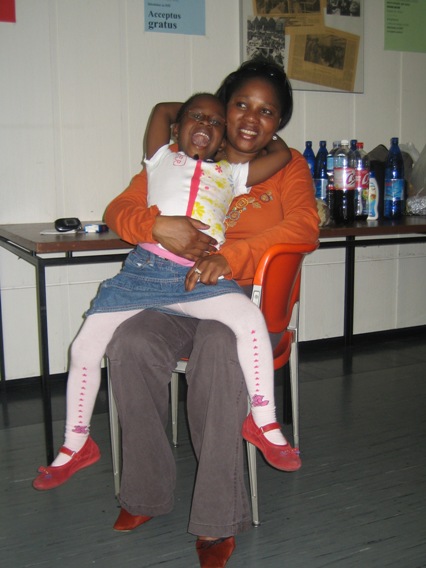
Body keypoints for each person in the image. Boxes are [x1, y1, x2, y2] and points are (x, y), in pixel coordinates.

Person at [104, 58, 320, 567]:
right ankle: (146, 492)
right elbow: (119, 209)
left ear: (280, 122)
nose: (251, 119)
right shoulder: (186, 156)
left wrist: (233, 256)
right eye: (241, 104)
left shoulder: (288, 166)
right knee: (131, 342)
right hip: (176, 292)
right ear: (223, 107)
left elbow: (304, 227)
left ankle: (217, 519)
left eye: (267, 111)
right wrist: (157, 226)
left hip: (246, 302)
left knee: (220, 352)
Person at [32, 89, 295, 491]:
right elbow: (160, 111)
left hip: (197, 276)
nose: (205, 125)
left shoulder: (232, 174)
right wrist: (204, 108)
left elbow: (283, 154)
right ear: (176, 128)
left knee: (249, 320)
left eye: (215, 122)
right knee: (84, 347)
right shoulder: (159, 159)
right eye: (195, 118)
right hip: (142, 274)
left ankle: (265, 422)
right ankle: (76, 443)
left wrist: (240, 125)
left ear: (223, 139)